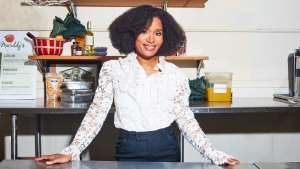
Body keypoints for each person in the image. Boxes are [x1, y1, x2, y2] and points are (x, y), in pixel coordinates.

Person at [35, 5, 240, 166]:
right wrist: (70, 151)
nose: (151, 39)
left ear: (165, 37)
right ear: (132, 35)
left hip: (167, 148)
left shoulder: (175, 75)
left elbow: (186, 121)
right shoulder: (113, 70)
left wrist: (215, 155)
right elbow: (96, 114)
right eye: (144, 31)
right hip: (128, 148)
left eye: (158, 33)